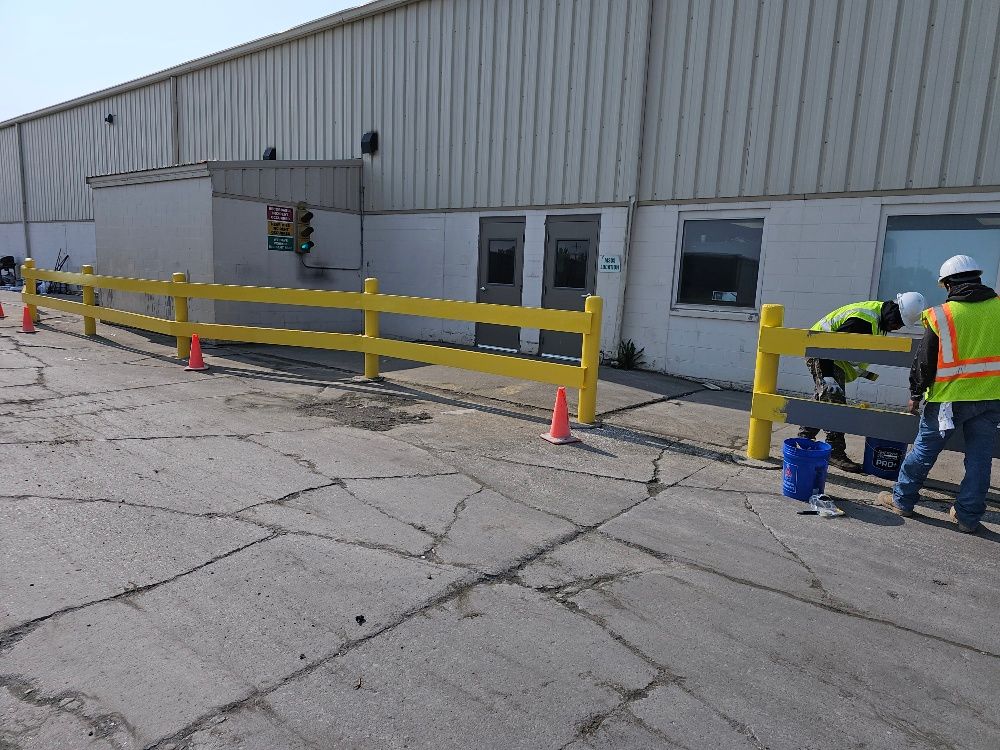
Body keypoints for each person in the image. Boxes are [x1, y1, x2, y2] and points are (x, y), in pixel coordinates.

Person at [878, 255, 1000, 533]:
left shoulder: (942, 315)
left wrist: (915, 393)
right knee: (980, 459)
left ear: (947, 285)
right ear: (978, 278)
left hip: (949, 400)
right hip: (992, 398)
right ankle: (968, 517)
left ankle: (903, 500)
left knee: (923, 452)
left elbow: (925, 361)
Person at [799, 292, 926, 472]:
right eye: (899, 322)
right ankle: (835, 452)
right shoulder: (863, 321)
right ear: (895, 313)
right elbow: (828, 344)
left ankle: (802, 441)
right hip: (821, 355)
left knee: (824, 400)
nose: (898, 327)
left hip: (835, 359)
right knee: (834, 400)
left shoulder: (880, 318)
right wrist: (827, 376)